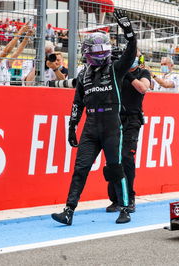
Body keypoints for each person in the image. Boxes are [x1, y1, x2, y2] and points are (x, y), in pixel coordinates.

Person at [51, 9, 137, 225]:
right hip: (90, 126)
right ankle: (69, 210)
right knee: (80, 168)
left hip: (111, 125)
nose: (99, 52)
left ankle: (125, 207)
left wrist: (128, 32)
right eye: (95, 49)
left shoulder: (116, 69)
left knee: (115, 167)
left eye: (102, 49)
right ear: (87, 51)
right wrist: (72, 127)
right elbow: (77, 102)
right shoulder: (83, 75)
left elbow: (131, 53)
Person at [106, 50, 150, 213]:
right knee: (113, 159)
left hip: (132, 119)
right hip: (114, 119)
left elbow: (143, 88)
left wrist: (127, 73)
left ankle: (129, 198)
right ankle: (116, 199)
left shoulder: (143, 72)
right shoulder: (115, 72)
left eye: (135, 55)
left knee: (126, 157)